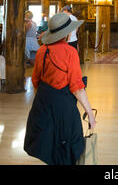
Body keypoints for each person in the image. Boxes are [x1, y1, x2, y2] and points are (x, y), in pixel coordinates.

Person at [24, 12, 96, 165]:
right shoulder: (70, 52)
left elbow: (36, 81)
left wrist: (42, 103)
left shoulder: (42, 50)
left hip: (43, 104)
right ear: (67, 34)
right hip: (63, 107)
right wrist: (90, 113)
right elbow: (77, 87)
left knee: (49, 146)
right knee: (68, 146)